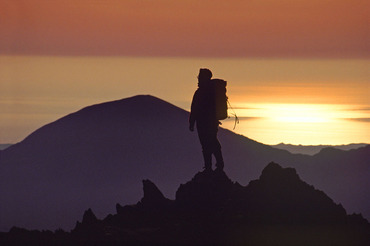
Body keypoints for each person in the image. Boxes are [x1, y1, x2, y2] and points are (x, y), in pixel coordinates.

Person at [189, 68, 224, 172]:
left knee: (206, 144)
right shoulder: (212, 92)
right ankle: (218, 164)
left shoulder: (200, 92)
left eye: (199, 77)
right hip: (212, 122)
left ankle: (209, 167)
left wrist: (191, 123)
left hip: (203, 123)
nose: (198, 79)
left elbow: (194, 108)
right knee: (213, 142)